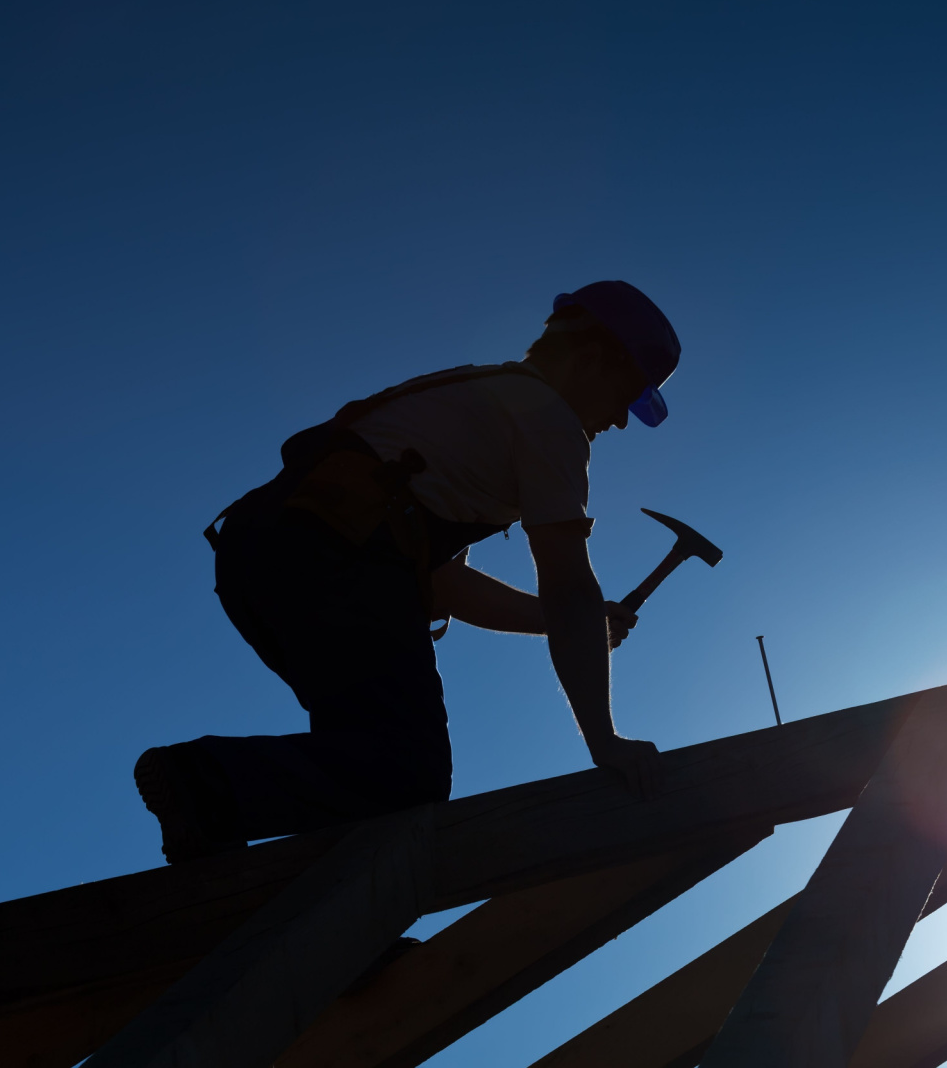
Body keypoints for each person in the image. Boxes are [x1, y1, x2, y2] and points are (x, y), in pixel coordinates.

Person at [135, 281, 682, 863]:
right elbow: (570, 584)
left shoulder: (472, 406)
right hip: (335, 561)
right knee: (404, 770)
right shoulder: (549, 419)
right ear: (594, 357)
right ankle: (206, 783)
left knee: (368, 764)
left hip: (262, 556)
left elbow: (448, 584)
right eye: (627, 395)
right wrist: (605, 742)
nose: (622, 421)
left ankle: (219, 837)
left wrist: (572, 625)